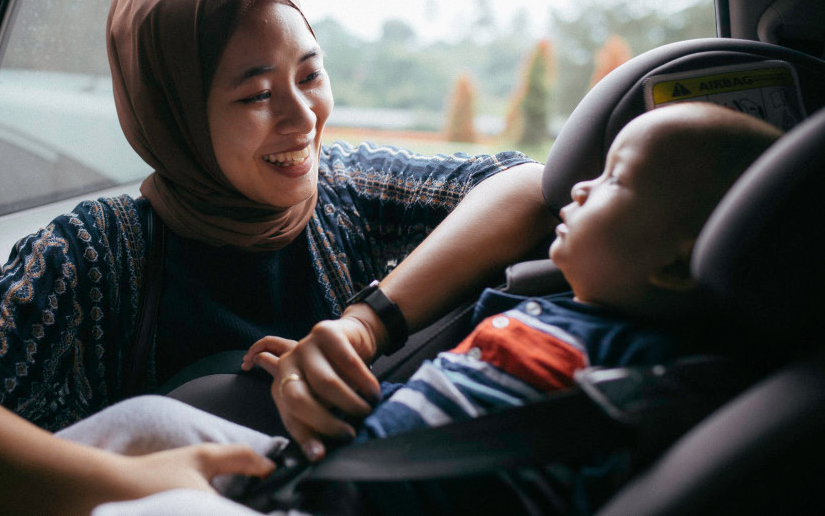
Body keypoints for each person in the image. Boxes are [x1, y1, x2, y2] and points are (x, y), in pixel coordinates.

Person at [0, 0, 553, 513]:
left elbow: (524, 184)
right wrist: (138, 482)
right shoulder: (99, 252)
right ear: (175, 113)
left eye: (310, 75)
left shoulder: (347, 189)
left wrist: (363, 325)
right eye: (255, 95)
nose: (302, 117)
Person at [69, 100, 782, 515]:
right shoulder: (539, 307)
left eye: (615, 180)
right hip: (337, 471)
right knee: (146, 422)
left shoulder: (658, 376)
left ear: (677, 259)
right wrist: (343, 387)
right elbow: (449, 398)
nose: (580, 187)